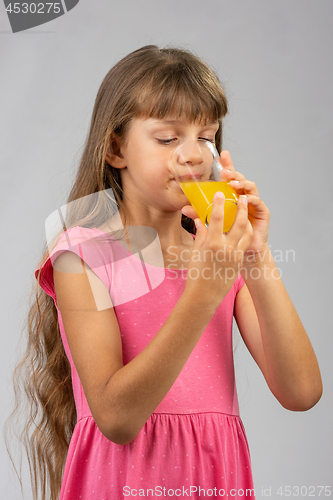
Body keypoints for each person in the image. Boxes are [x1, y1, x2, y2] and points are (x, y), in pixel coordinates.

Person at [5, 45, 323, 500]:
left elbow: (302, 391)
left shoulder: (220, 257)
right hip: (122, 482)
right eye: (168, 138)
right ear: (116, 148)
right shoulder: (84, 254)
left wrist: (255, 256)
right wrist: (204, 291)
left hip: (215, 481)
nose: (193, 155)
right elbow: (117, 418)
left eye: (206, 136)